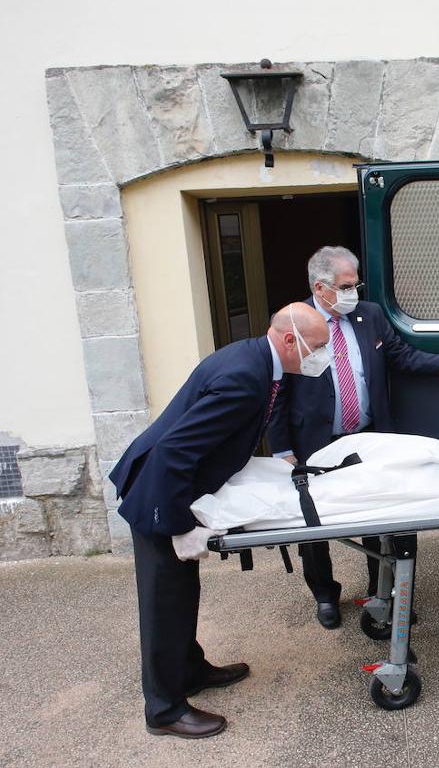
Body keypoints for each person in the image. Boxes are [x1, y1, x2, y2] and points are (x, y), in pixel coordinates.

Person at [109, 302, 330, 739]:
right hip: (159, 492)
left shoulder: (258, 362)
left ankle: (189, 670)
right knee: (163, 601)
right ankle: (164, 709)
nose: (322, 356)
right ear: (291, 340)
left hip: (177, 487)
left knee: (182, 592)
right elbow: (175, 451)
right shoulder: (245, 378)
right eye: (319, 347)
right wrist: (178, 527)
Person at [268, 245, 439, 629]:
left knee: (381, 515)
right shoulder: (295, 322)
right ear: (320, 288)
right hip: (315, 442)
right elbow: (277, 391)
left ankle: (383, 593)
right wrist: (282, 450)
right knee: (313, 525)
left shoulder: (368, 315)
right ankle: (325, 595)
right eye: (346, 286)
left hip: (370, 436)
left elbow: (401, 356)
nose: (353, 292)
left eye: (356, 284)